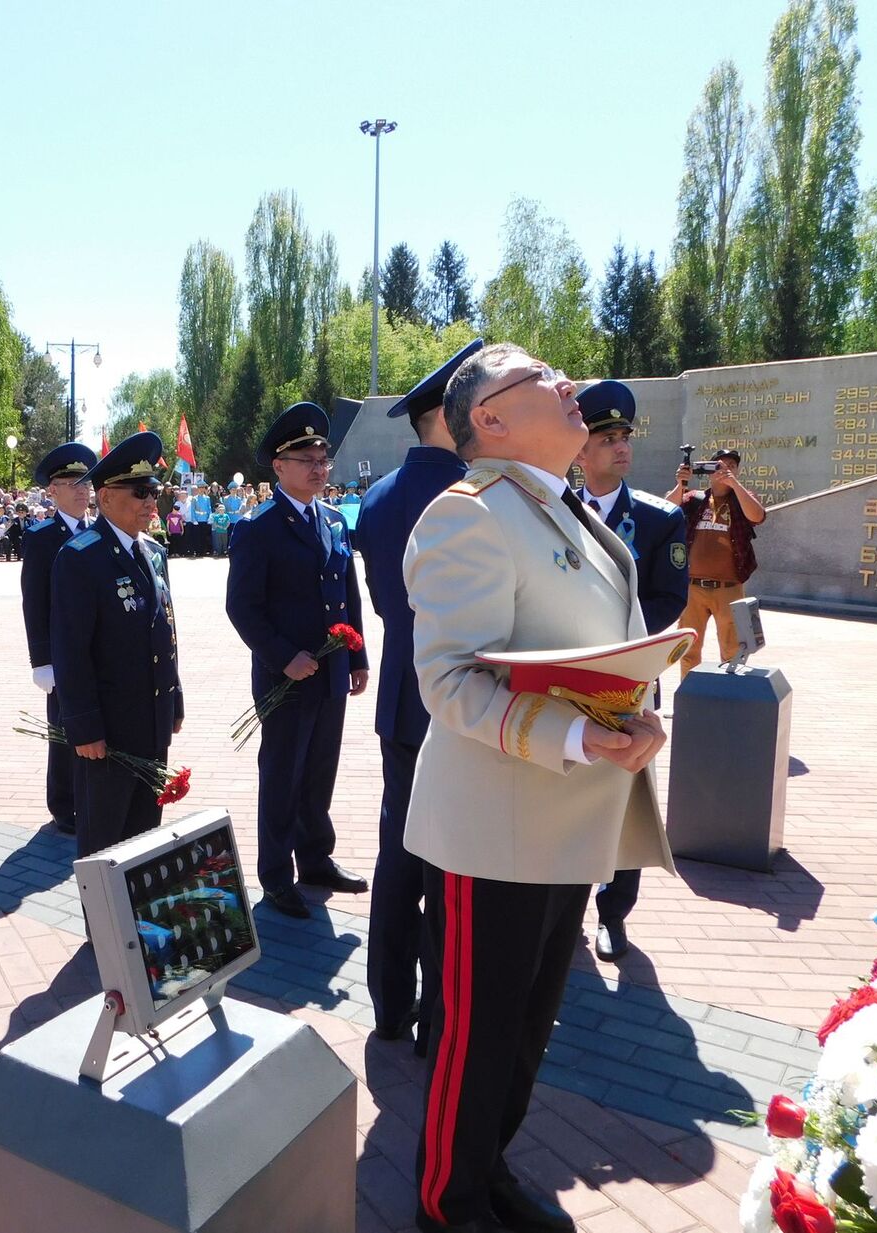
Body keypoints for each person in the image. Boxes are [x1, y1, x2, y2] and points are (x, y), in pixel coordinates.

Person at [402, 345, 675, 1233]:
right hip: (497, 827)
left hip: (567, 820)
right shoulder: (468, 515)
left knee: (526, 1033)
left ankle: (487, 1169)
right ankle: (447, 1201)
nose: (569, 386)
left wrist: (639, 714)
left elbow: (610, 645)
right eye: (543, 378)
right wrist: (577, 734)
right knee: (476, 1038)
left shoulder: (564, 511)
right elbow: (446, 683)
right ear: (488, 419)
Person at [356, 340, 474, 1048]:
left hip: (403, 697)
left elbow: (381, 601)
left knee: (398, 851)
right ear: (449, 416)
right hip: (460, 704)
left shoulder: (375, 497)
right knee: (449, 862)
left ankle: (389, 1003)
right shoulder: (474, 494)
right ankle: (438, 1018)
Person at [226, 402, 371, 919]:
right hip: (284, 679)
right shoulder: (258, 527)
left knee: (319, 774)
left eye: (322, 456)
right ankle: (275, 875)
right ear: (279, 466)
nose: (318, 465)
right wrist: (284, 657)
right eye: (305, 456)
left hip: (330, 672)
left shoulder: (332, 520)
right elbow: (242, 606)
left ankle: (315, 860)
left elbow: (346, 593)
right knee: (283, 776)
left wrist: (357, 655)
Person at [573, 380, 689, 962]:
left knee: (624, 795)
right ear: (580, 449)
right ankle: (561, 902)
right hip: (564, 681)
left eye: (625, 437)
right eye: (605, 437)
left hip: (628, 679)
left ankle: (613, 915)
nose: (620, 448)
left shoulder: (659, 518)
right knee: (565, 790)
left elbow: (669, 600)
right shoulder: (554, 513)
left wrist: (610, 640)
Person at [49, 432, 184, 856]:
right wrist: (84, 726)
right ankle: (103, 925)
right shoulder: (80, 557)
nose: (151, 502)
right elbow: (71, 652)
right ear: (105, 498)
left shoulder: (153, 552)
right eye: (140, 492)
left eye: (155, 492)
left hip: (151, 721)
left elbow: (165, 631)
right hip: (107, 733)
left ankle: (139, 923)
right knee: (105, 846)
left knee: (145, 839)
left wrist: (173, 698)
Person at [20, 441, 98, 837]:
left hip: (94, 653)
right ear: (52, 490)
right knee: (64, 731)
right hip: (60, 656)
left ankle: (89, 797)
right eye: (72, 482)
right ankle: (64, 805)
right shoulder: (41, 537)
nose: (83, 489)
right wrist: (41, 661)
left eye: (86, 482)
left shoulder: (98, 533)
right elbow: (34, 601)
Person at [668, 447, 765, 675]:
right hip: (693, 588)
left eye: (731, 466)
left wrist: (734, 485)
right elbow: (667, 511)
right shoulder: (694, 499)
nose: (725, 470)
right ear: (709, 471)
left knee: (733, 651)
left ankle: (729, 703)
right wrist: (680, 484)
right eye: (719, 466)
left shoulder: (743, 498)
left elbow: (757, 516)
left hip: (729, 588)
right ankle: (690, 702)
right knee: (688, 649)